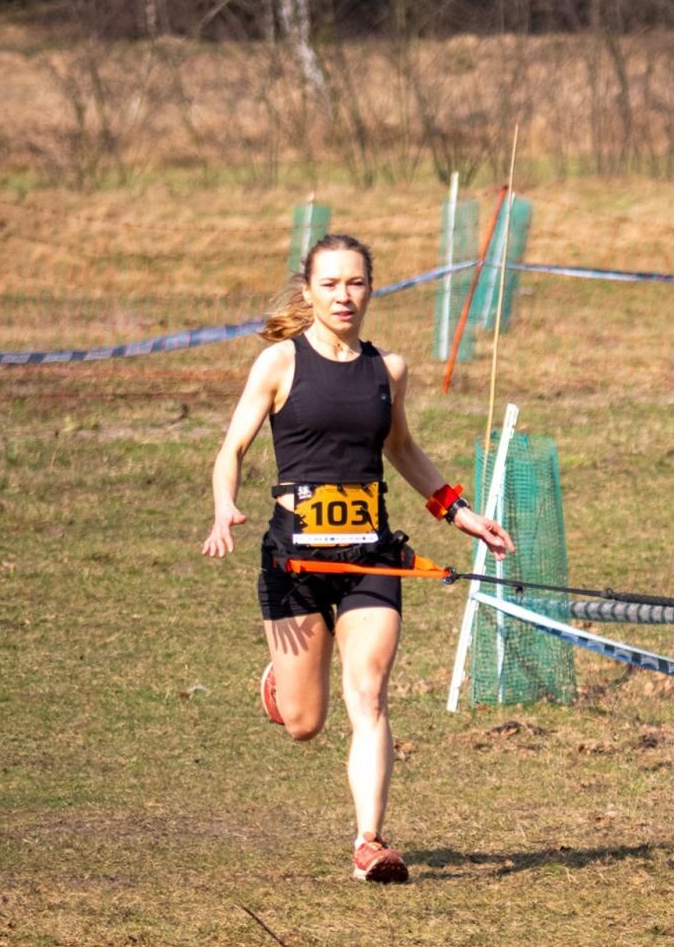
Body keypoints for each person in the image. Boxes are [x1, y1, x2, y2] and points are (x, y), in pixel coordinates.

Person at [203, 233, 513, 884]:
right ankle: (282, 684)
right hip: (296, 564)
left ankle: (370, 840)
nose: (345, 295)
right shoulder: (280, 364)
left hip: (373, 553)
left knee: (368, 693)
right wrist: (224, 506)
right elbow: (230, 448)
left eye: (357, 283)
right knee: (304, 723)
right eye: (332, 283)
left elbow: (403, 450)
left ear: (371, 289)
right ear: (309, 291)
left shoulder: (387, 370)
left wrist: (461, 512)